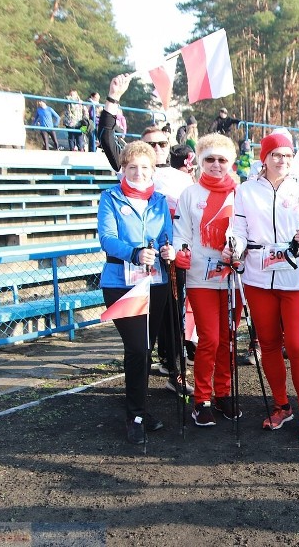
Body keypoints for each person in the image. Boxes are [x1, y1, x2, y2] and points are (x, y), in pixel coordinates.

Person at [97, 74, 193, 396]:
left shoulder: (181, 180)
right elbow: (107, 138)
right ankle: (140, 400)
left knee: (173, 325)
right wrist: (113, 99)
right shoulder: (127, 173)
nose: (154, 149)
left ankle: (176, 372)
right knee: (141, 343)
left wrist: (175, 250)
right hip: (130, 270)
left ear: (168, 148)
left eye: (160, 144)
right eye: (149, 144)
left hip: (166, 267)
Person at [231, 132, 299, 440]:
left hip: (295, 277)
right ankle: (281, 405)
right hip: (258, 277)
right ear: (265, 157)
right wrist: (235, 245)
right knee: (268, 343)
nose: (282, 160)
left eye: (287, 155)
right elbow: (240, 229)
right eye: (276, 155)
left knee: (298, 346)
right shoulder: (246, 191)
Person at [97, 140, 175, 444]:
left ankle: (140, 407)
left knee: (146, 349)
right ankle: (135, 415)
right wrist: (134, 253)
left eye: (144, 167)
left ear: (152, 169)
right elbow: (107, 238)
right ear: (124, 169)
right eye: (132, 167)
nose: (139, 173)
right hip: (122, 283)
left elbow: (167, 234)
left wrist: (168, 249)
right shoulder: (110, 198)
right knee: (138, 348)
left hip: (156, 283)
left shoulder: (159, 200)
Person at [173, 134, 242, 427]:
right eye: (210, 160)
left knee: (227, 339)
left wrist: (235, 246)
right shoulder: (190, 194)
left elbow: (246, 229)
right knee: (210, 338)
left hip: (233, 276)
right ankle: (202, 398)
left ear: (231, 163)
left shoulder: (240, 192)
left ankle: (224, 393)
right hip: (201, 276)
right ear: (200, 162)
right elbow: (182, 233)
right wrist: (180, 252)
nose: (216, 165)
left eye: (222, 160)